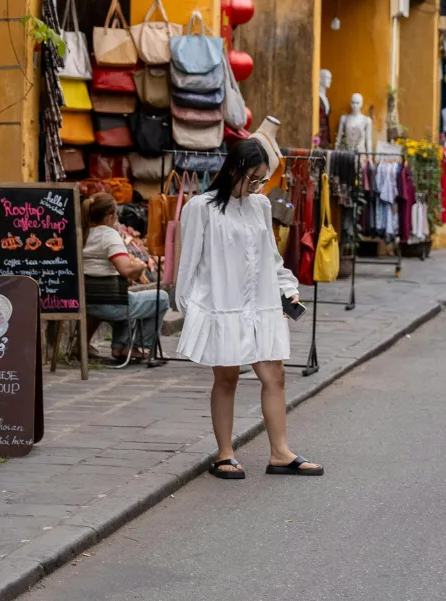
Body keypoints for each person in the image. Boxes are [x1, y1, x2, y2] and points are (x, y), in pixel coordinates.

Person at [173, 137, 323, 480]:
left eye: (261, 180)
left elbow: (270, 256)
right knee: (226, 378)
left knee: (276, 375)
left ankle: (280, 453)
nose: (256, 187)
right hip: (223, 305)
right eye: (252, 179)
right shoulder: (201, 208)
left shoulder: (260, 206)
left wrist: (287, 288)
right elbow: (189, 264)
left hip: (262, 305)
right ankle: (225, 454)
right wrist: (191, 308)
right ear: (235, 169)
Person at [81, 192, 170, 366]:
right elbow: (126, 269)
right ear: (109, 217)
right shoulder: (109, 235)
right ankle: (138, 347)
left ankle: (119, 346)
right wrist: (143, 265)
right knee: (162, 297)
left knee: (128, 296)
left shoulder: (81, 234)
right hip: (110, 305)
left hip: (86, 303)